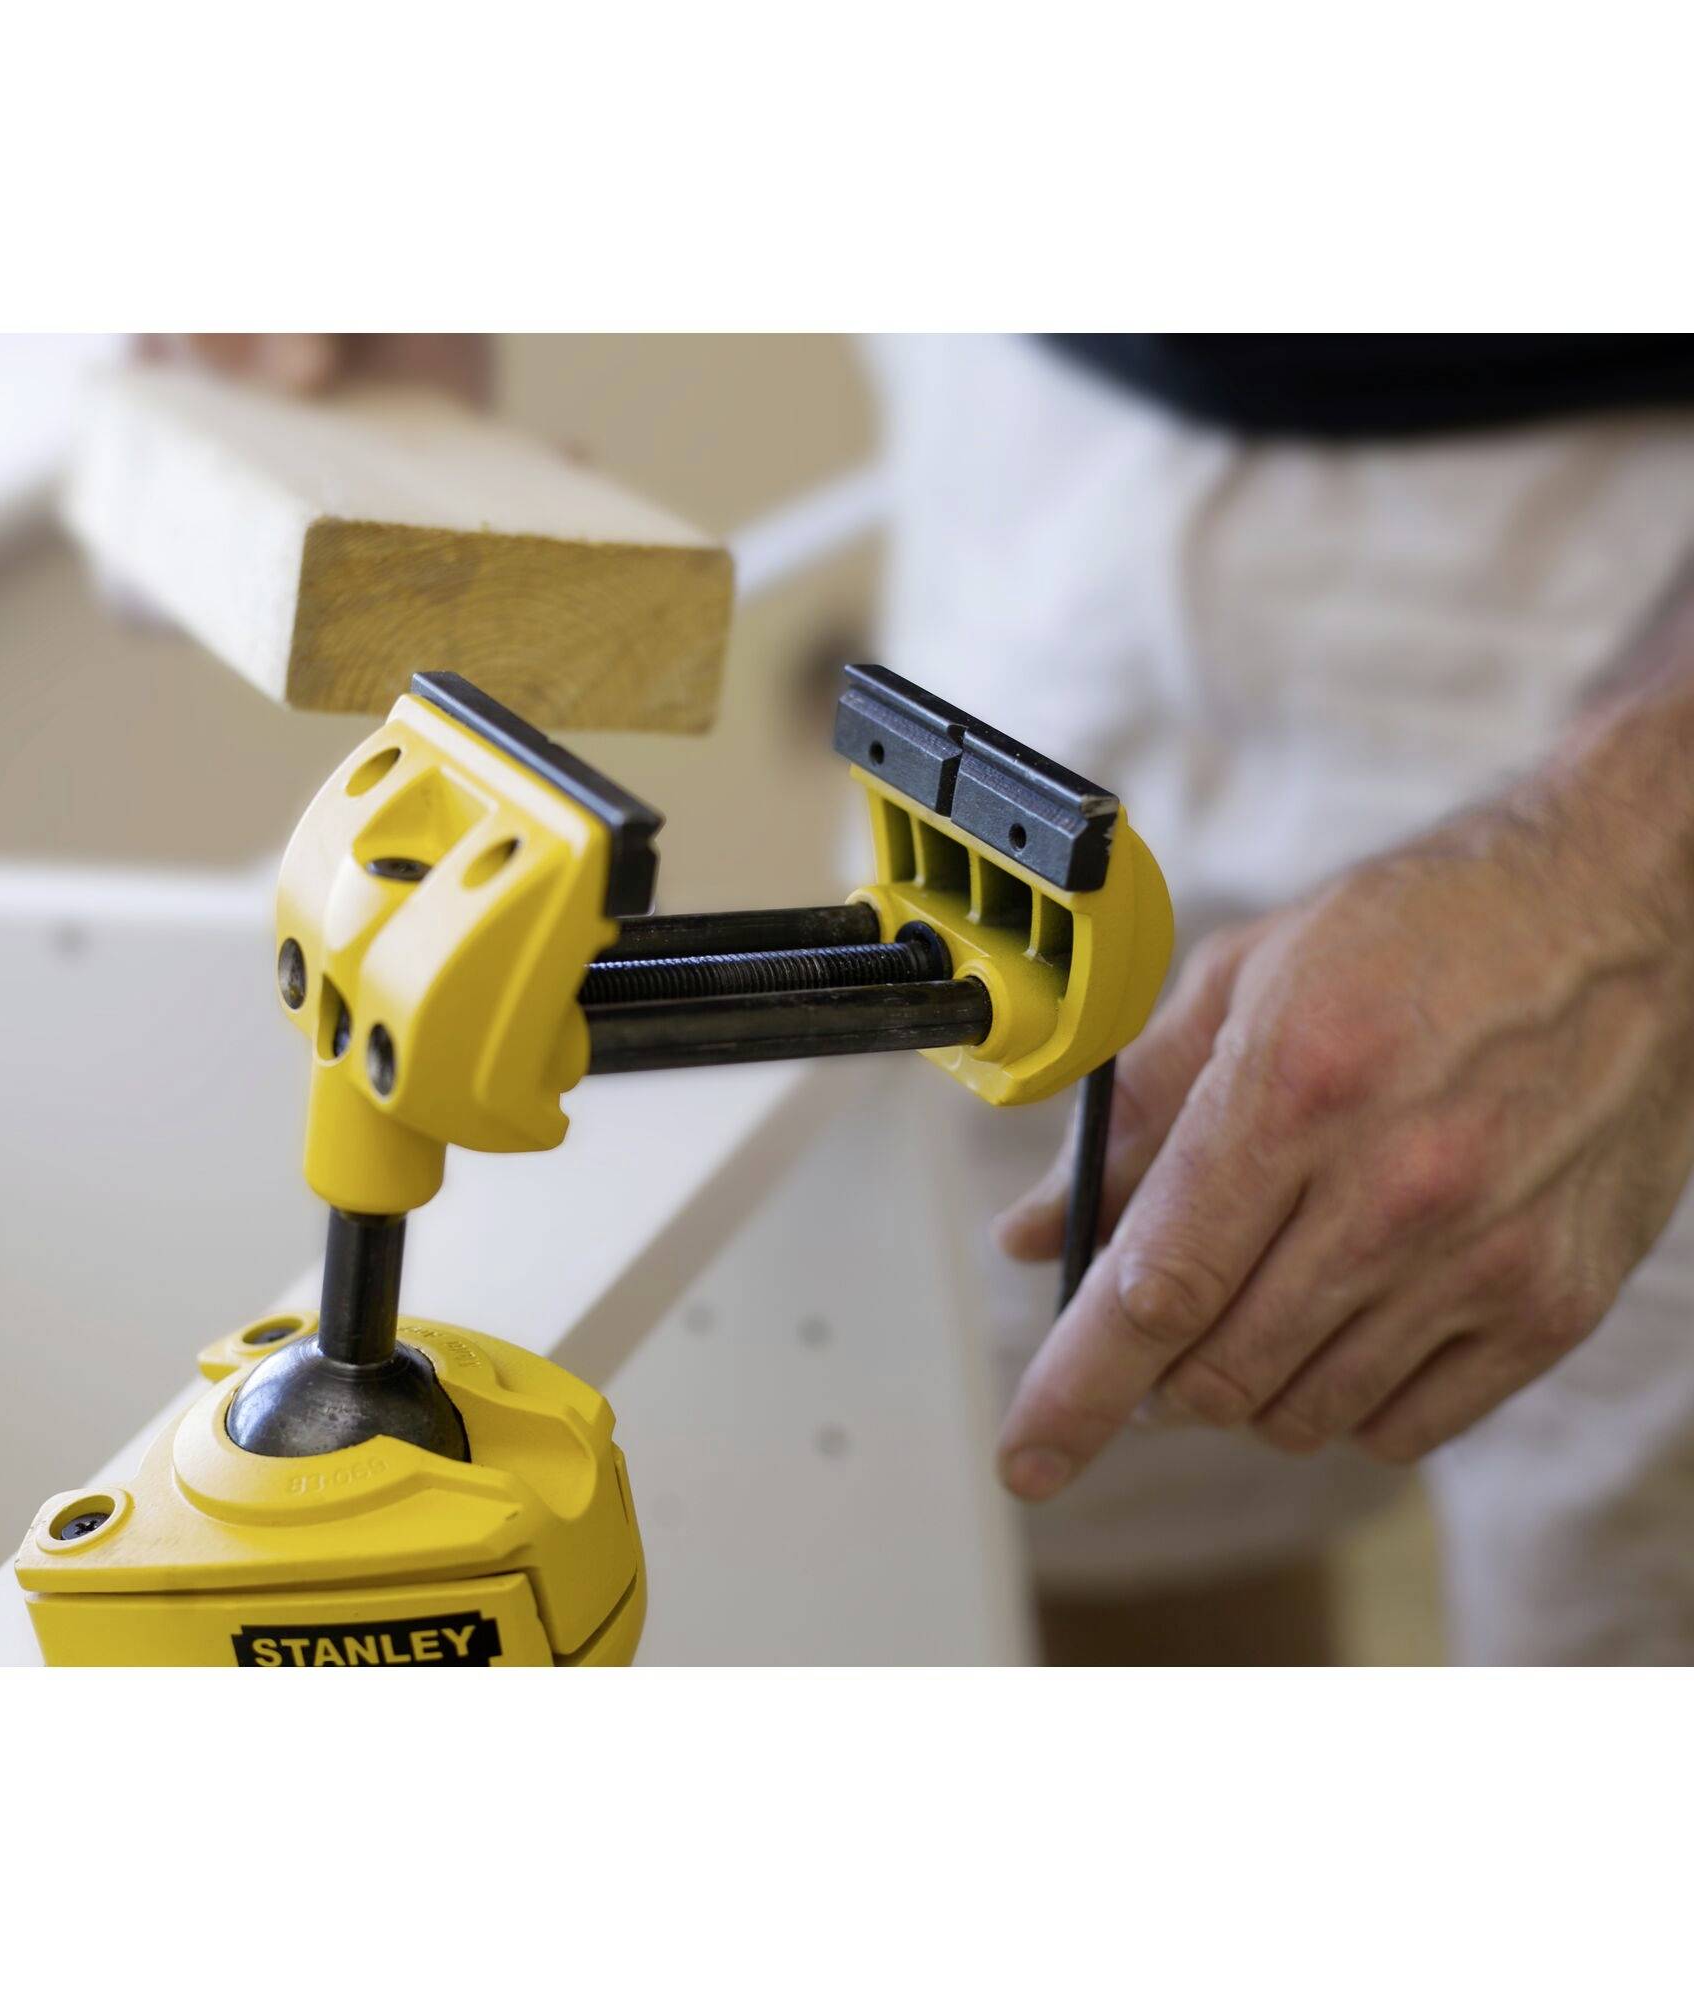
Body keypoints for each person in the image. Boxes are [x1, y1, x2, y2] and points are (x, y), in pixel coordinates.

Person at [179, 331, 1694, 1664]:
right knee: (1091, 1498)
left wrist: (1632, 882)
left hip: (1625, 538)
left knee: (1619, 1591)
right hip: (1038, 439)